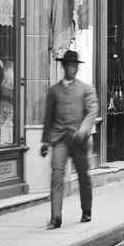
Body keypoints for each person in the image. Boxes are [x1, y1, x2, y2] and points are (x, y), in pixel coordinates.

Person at [40, 50, 98, 228]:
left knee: (83, 175)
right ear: (64, 66)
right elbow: (48, 117)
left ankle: (86, 210)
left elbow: (92, 111)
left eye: (75, 66)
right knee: (57, 175)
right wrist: (45, 141)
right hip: (59, 138)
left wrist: (83, 129)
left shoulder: (85, 89)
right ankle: (55, 217)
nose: (72, 69)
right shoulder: (54, 91)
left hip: (78, 139)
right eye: (69, 65)